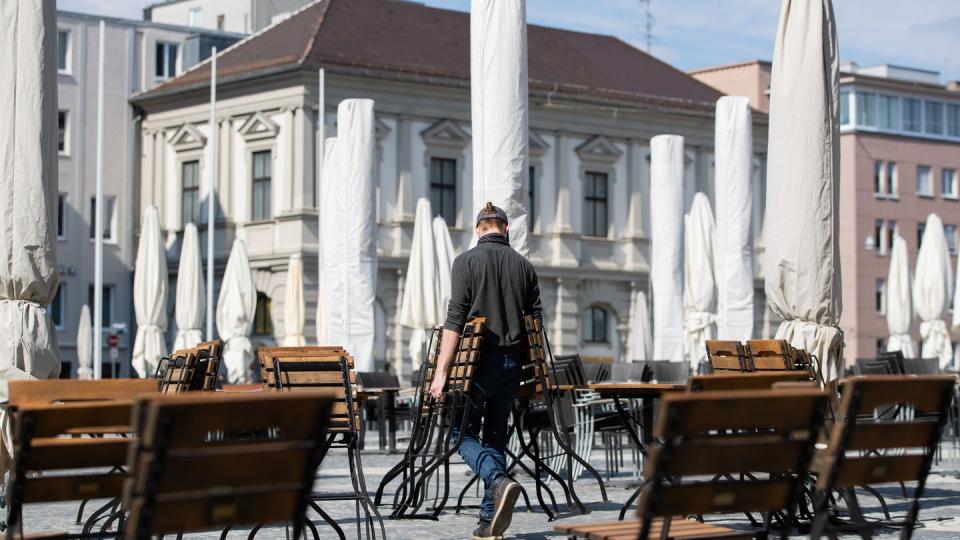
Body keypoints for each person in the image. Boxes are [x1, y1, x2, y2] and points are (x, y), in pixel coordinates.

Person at [429, 201, 542, 540]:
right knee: (495, 437)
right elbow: (535, 326)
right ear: (505, 228)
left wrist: (441, 371)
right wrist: (537, 375)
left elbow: (455, 320)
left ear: (479, 229)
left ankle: (496, 479)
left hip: (475, 365)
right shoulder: (525, 266)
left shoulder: (464, 262)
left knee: (459, 435)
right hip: (512, 365)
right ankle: (488, 523)